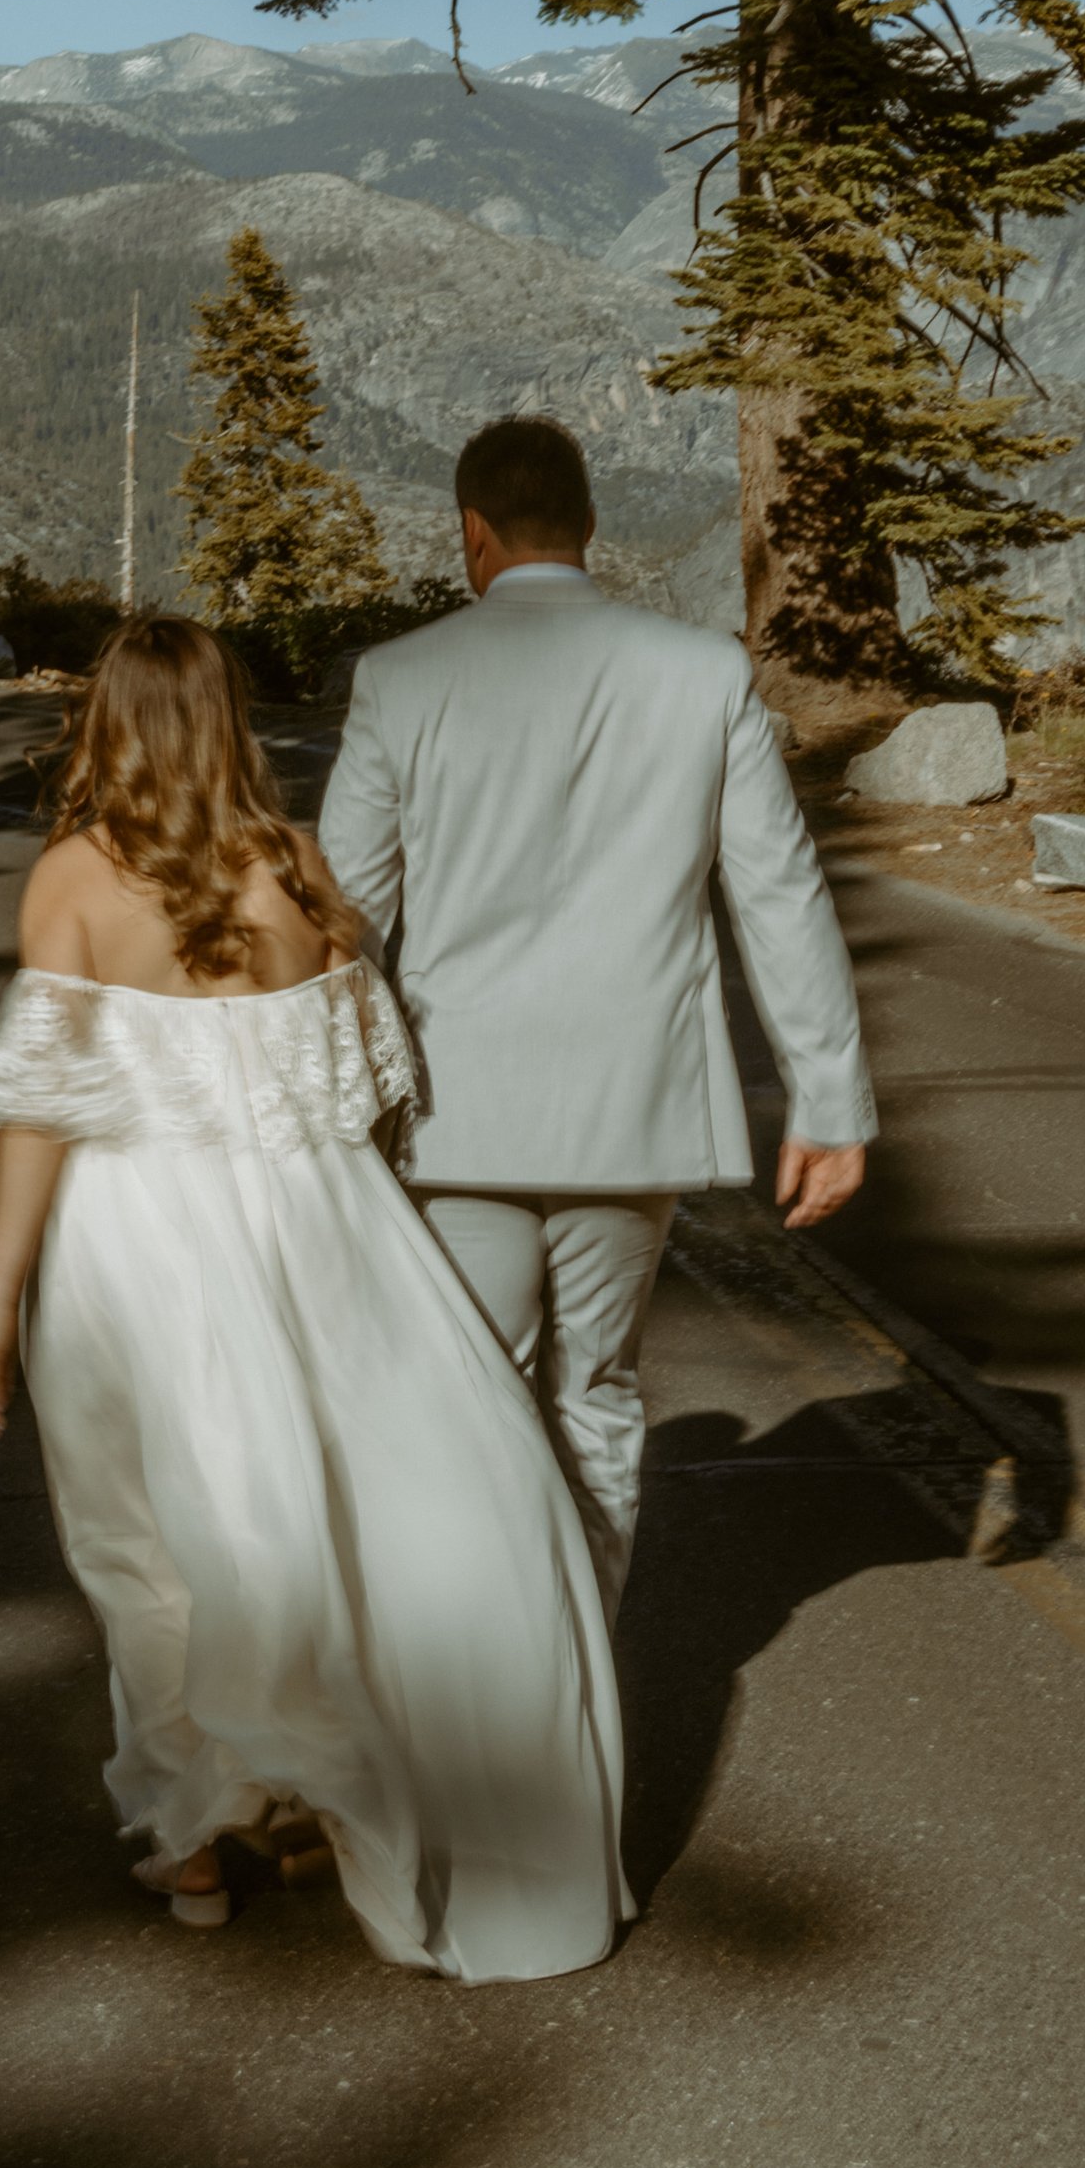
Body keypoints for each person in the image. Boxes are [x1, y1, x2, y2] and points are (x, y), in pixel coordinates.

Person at [0, 613, 628, 1984]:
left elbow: (38, 1119)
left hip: (145, 1242)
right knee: (320, 1521)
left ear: (108, 726)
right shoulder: (299, 870)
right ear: (232, 726)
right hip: (325, 1232)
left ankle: (196, 1835)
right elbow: (369, 1095)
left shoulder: (73, 879)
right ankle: (314, 1787)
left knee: (154, 1546)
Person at [319, 414, 874, 1624]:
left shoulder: (400, 677)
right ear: (588, 527)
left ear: (471, 533)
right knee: (600, 1398)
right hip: (632, 1109)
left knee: (472, 1407)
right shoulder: (699, 673)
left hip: (453, 1108)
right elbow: (777, 892)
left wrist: (307, 1100)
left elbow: (340, 919)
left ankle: (487, 1702)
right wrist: (827, 1099)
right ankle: (580, 1692)